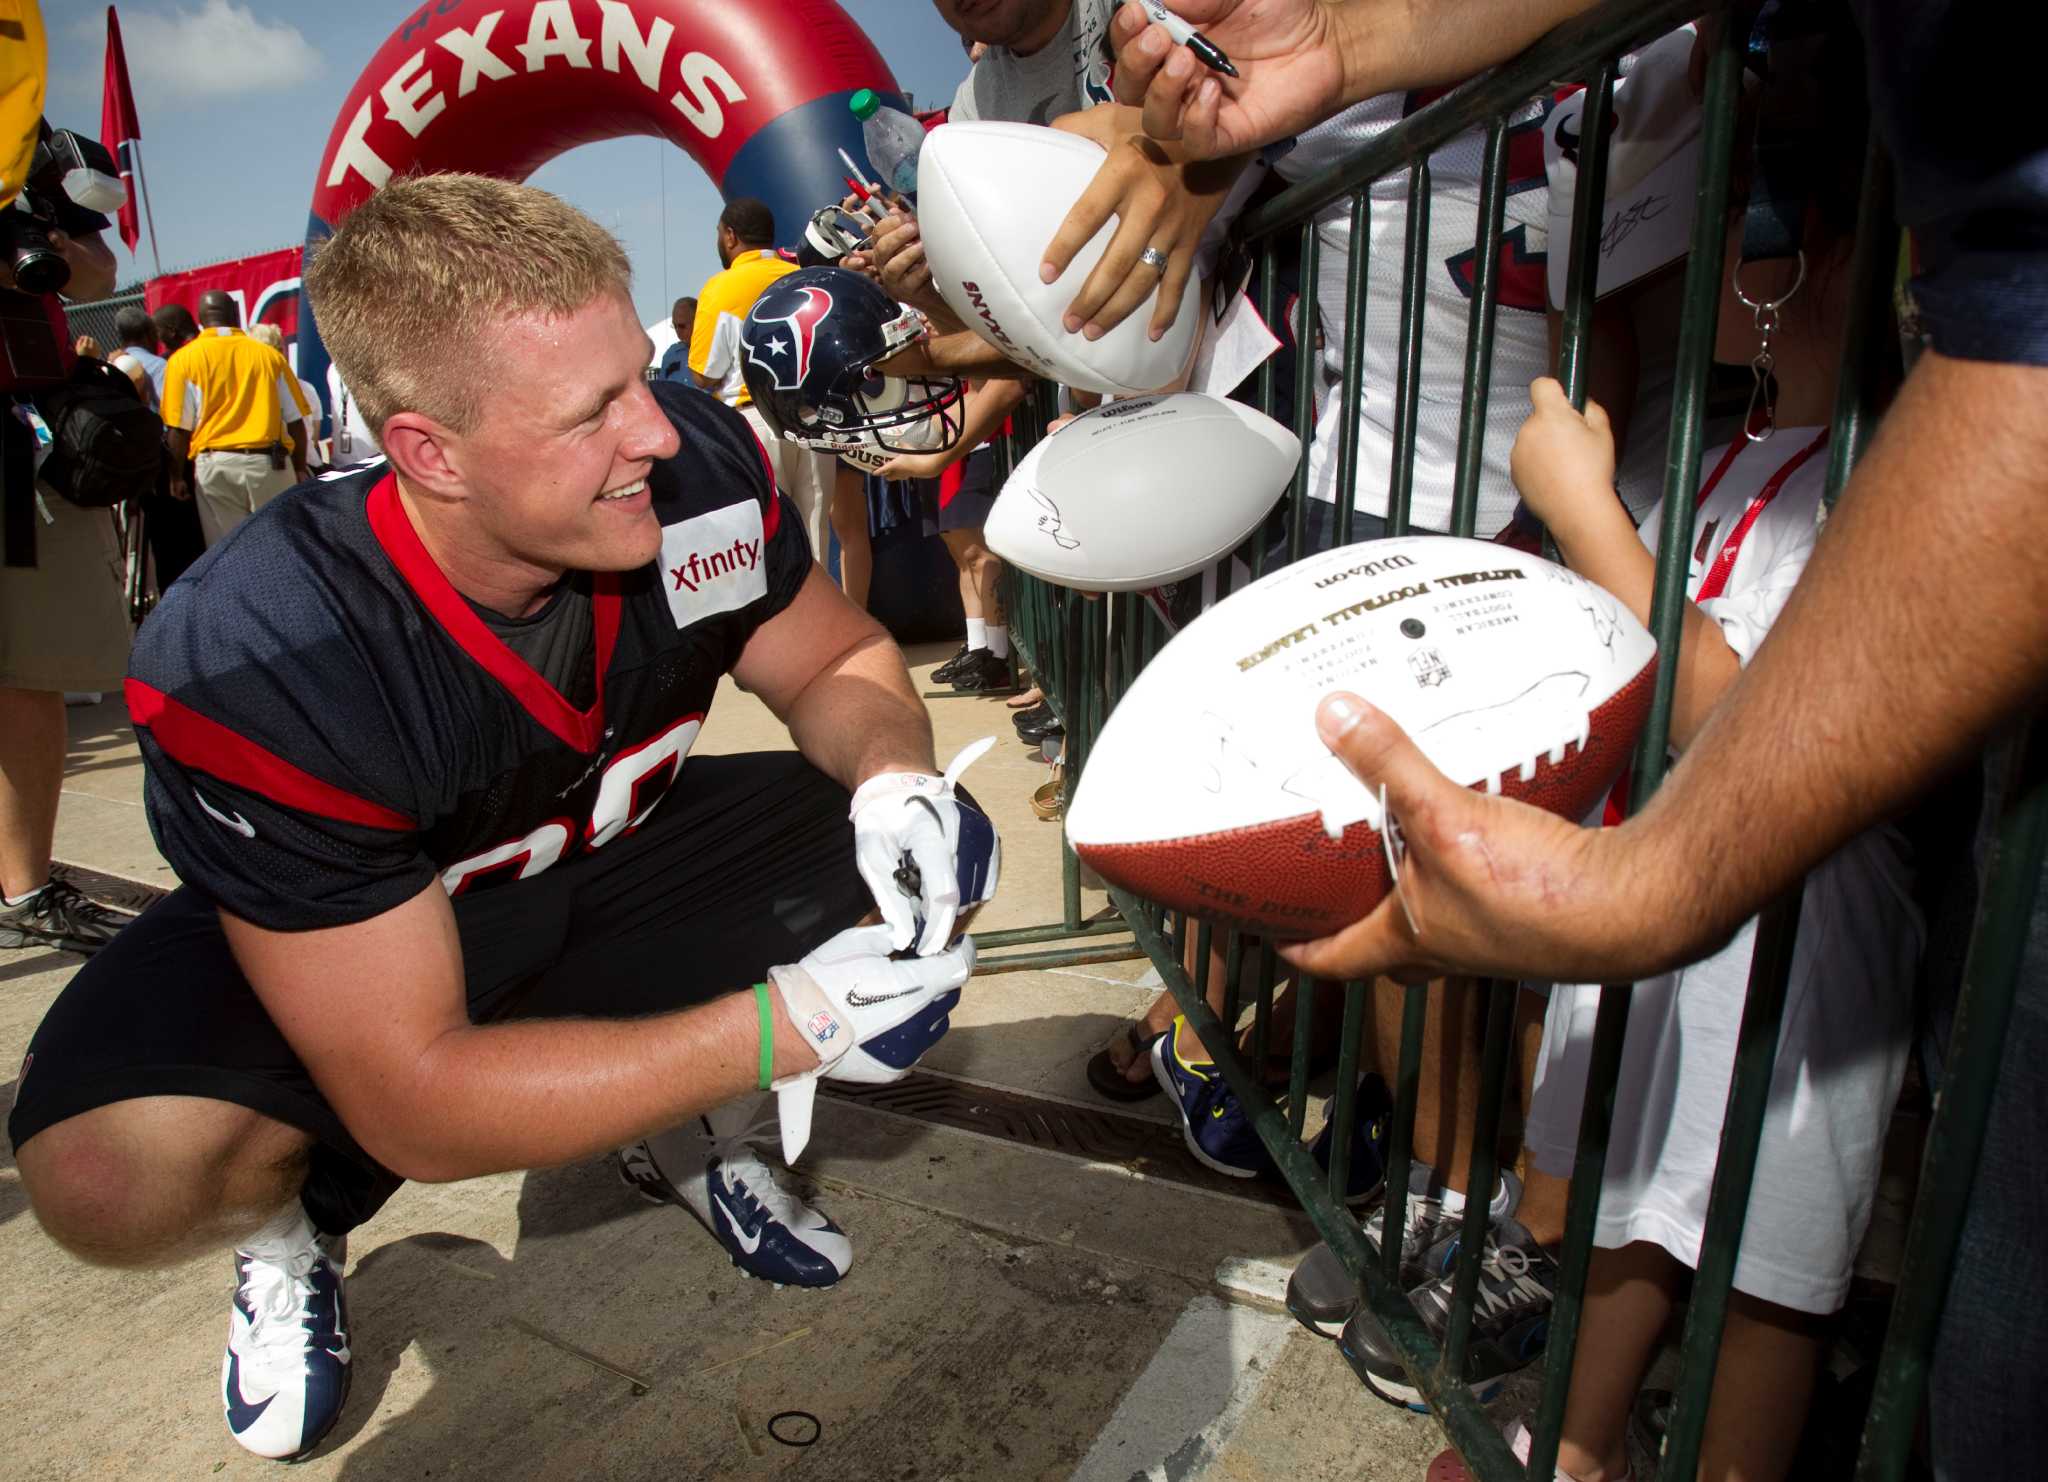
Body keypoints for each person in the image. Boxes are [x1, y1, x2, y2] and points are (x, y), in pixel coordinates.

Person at [1112, 2, 2047, 1476]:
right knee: (1639, 1203)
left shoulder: (1879, 490)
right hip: (1679, 941)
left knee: (1762, 1269)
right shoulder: (1723, 451)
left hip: (1803, 980)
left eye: (1782, 241)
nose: (1741, 277)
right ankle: (1588, 1439)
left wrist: (1592, 514)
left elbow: (1745, 704)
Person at [8, 176, 988, 1463]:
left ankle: (691, 1121)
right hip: (373, 940)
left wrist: (890, 779)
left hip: (611, 853)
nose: (653, 431)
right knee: (107, 1175)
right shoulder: (265, 648)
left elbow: (829, 660)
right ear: (428, 451)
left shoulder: (683, 466)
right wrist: (781, 1027)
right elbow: (417, 1100)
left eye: (637, 375)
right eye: (593, 412)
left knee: (918, 861)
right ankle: (284, 1232)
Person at [0, 148, 132, 958]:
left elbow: (93, 272)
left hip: (24, 444)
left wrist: (32, 234)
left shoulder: (22, 143)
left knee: (29, 672)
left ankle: (24, 887)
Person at [691, 198, 834, 559]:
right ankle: (817, 615)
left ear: (730, 236)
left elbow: (702, 376)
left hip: (757, 417)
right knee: (815, 533)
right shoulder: (803, 275)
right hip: (817, 417)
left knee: (768, 537)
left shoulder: (721, 287)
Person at [160, 290, 314, 546]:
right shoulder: (269, 356)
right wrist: (298, 467)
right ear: (236, 316)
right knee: (284, 546)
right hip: (269, 466)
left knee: (230, 552)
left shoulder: (182, 361)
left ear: (200, 321)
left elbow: (178, 429)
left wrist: (175, 476)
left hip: (216, 467)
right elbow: (296, 420)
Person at [109, 304, 206, 594]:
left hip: (137, 468)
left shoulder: (111, 367)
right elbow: (177, 420)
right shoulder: (164, 367)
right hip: (169, 462)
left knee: (160, 548)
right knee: (187, 545)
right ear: (150, 333)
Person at [249, 323, 326, 475]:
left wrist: (299, 469)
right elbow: (314, 437)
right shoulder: (308, 388)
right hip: (310, 467)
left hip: (285, 469)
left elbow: (298, 428)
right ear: (282, 350)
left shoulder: (254, 393)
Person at [656, 295, 696, 382]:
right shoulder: (670, 354)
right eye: (675, 326)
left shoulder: (714, 352)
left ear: (696, 321)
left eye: (682, 326)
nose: (678, 331)